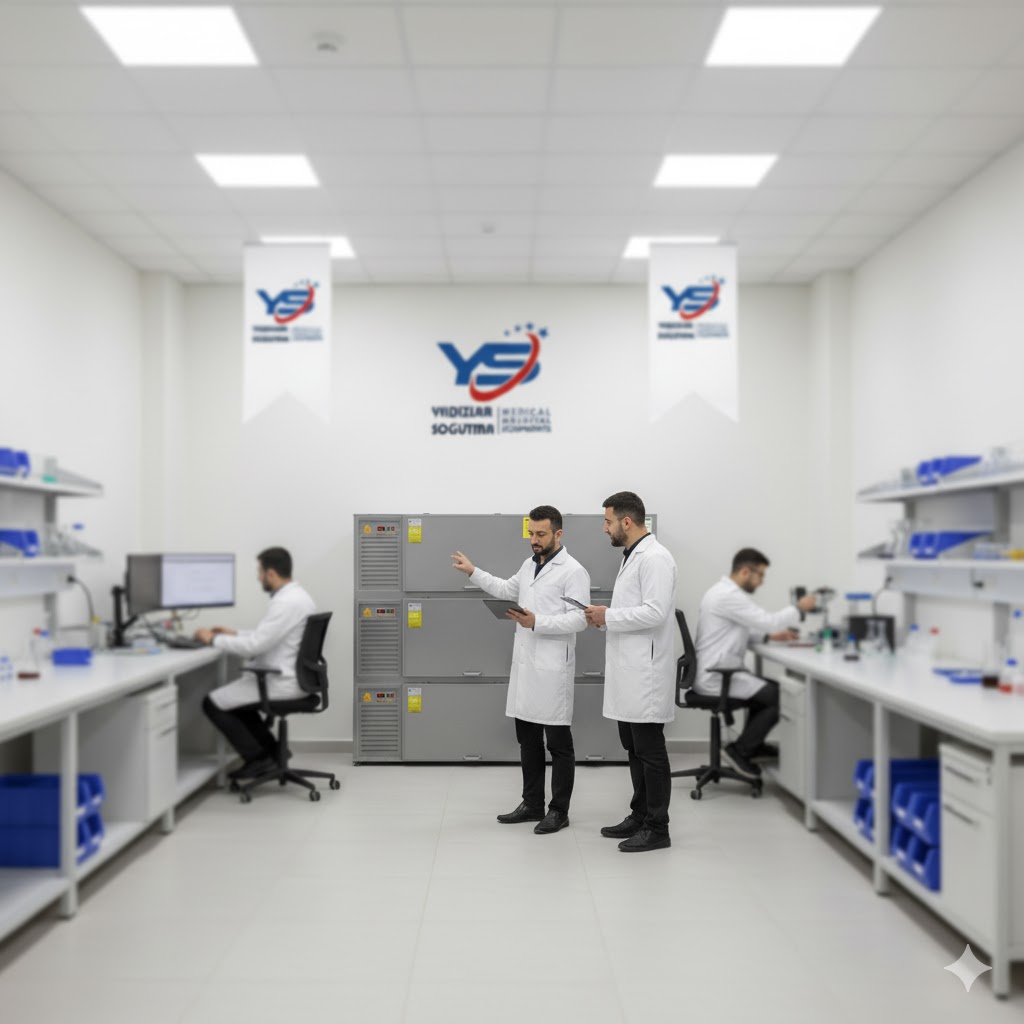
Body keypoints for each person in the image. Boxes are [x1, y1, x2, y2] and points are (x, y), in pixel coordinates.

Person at [452, 505, 590, 835]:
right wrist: (473, 572)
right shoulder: (529, 566)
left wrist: (537, 622)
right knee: (527, 741)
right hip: (527, 667)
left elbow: (579, 619)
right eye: (531, 533)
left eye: (541, 534)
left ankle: (559, 811)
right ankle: (532, 804)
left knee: (558, 744)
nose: (534, 540)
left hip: (553, 668)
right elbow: (506, 590)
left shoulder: (574, 571)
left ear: (558, 533)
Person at [585, 491, 678, 853]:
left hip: (646, 674)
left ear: (626, 521)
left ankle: (658, 827)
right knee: (634, 748)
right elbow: (633, 611)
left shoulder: (655, 558)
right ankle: (640, 815)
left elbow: (655, 612)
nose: (604, 529)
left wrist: (608, 615)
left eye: (607, 522)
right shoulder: (633, 556)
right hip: (630, 670)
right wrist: (604, 618)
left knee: (650, 751)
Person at [694, 547, 817, 781]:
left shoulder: (719, 592)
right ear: (745, 572)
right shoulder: (729, 596)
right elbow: (769, 621)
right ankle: (740, 750)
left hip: (716, 671)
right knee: (779, 696)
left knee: (768, 691)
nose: (762, 581)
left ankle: (753, 746)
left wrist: (770, 637)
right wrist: (800, 608)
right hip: (717, 676)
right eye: (760, 575)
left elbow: (736, 632)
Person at [195, 547, 316, 779]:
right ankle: (274, 752)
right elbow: (270, 636)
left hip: (280, 680)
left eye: (260, 573)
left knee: (212, 703)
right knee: (236, 702)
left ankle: (258, 759)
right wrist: (235, 633)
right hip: (293, 677)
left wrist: (212, 639)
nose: (259, 578)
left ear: (271, 573)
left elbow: (255, 646)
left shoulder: (286, 603)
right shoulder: (298, 597)